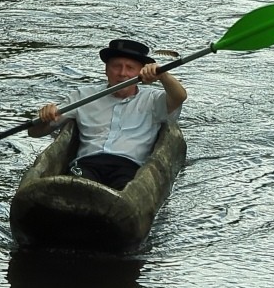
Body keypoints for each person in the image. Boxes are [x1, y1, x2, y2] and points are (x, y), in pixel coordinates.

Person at [27, 39, 187, 190]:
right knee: (75, 188)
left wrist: (163, 75)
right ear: (106, 69)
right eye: (116, 66)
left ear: (140, 72)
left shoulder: (152, 99)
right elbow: (35, 132)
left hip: (129, 167)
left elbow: (180, 96)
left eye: (130, 68)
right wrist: (44, 117)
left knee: (125, 191)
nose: (122, 73)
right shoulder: (83, 96)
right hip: (87, 164)